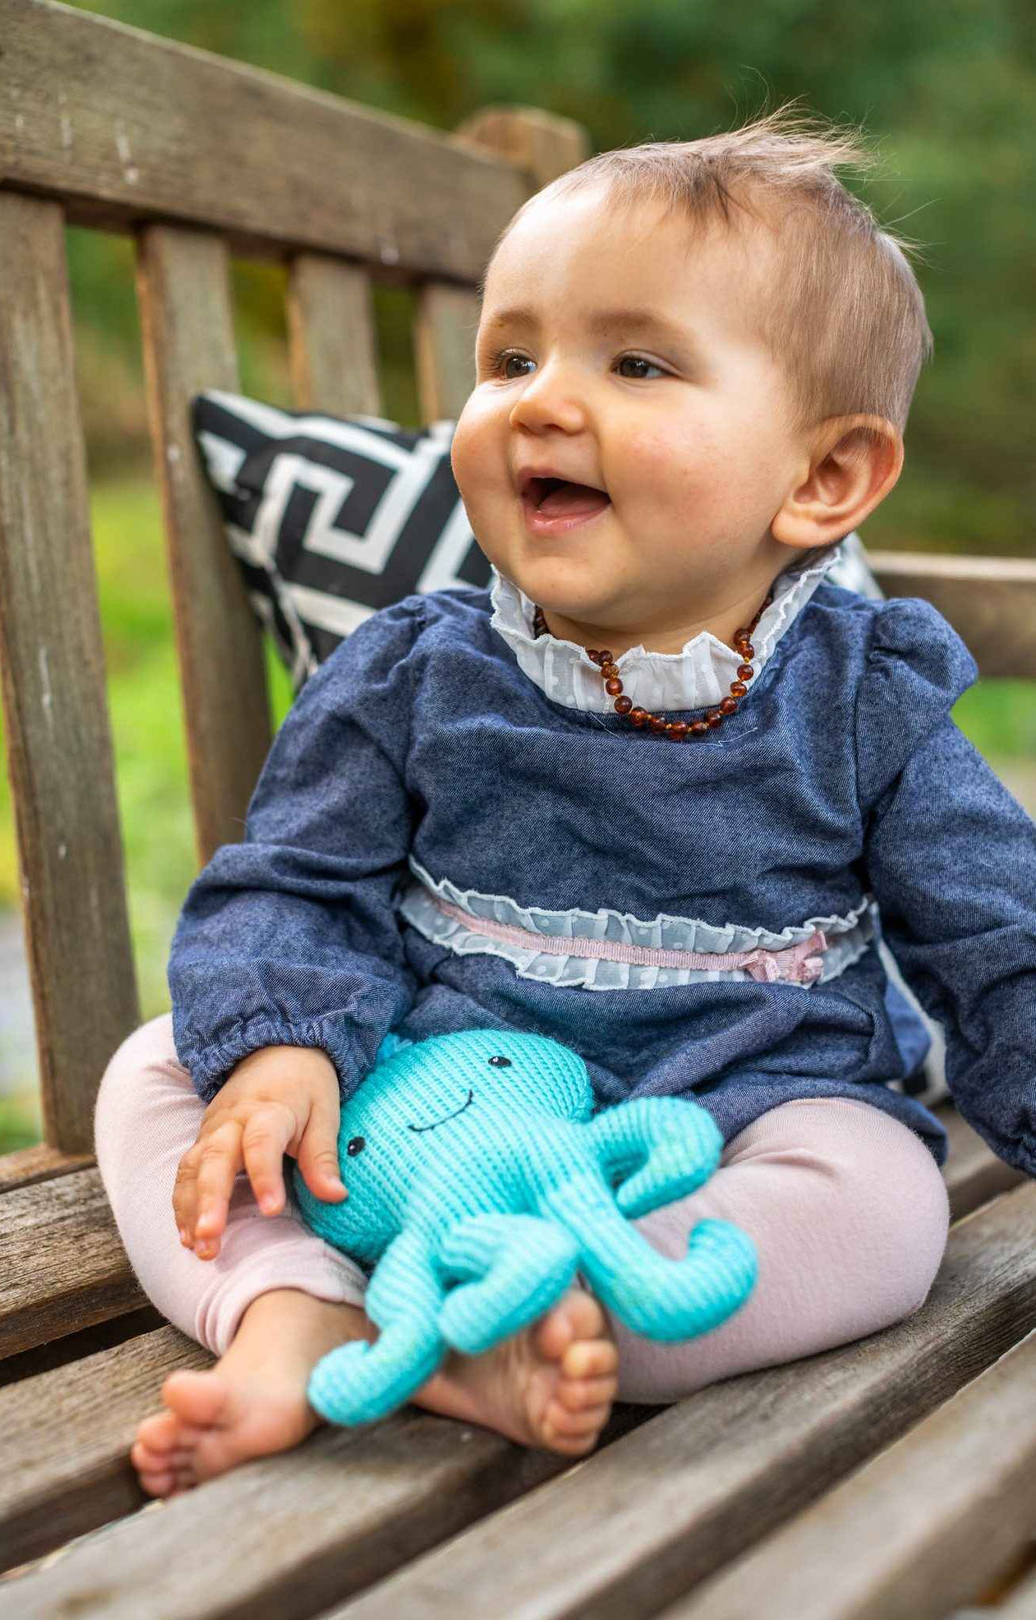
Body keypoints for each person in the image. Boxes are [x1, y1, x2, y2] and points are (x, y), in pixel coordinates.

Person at [95, 103, 1036, 1498]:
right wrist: (285, 1046)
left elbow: (997, 938)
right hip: (433, 1088)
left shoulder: (860, 693)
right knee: (165, 1072)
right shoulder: (415, 669)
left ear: (824, 477)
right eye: (511, 356)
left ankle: (572, 1310)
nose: (542, 398)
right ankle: (299, 1311)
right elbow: (294, 880)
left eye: (637, 362)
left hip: (742, 1104)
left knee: (884, 1204)